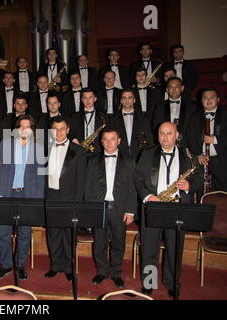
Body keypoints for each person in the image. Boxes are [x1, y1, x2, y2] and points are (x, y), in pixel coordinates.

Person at [134, 122, 202, 297]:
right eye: (162, 133)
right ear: (157, 135)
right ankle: (149, 282)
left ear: (176, 134)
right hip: (153, 206)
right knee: (149, 248)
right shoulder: (147, 154)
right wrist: (148, 197)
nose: (165, 137)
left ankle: (172, 283)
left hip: (177, 208)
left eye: (169, 133)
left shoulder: (187, 156)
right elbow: (138, 179)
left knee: (175, 248)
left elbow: (199, 178)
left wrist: (188, 185)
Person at [0, 114, 45, 281]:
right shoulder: (5, 145)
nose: (24, 129)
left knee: (24, 232)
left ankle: (20, 265)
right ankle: (6, 265)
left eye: (27, 127)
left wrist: (37, 198)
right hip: (7, 193)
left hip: (27, 194)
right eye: (21, 126)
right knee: (4, 231)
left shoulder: (37, 148)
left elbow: (40, 176)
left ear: (32, 130)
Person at [85, 127, 137, 288]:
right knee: (99, 243)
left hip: (119, 209)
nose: (109, 142)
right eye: (105, 139)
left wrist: (130, 210)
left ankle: (115, 272)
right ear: (101, 142)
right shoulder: (92, 160)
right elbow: (88, 187)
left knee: (118, 243)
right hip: (99, 208)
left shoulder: (129, 161)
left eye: (112, 139)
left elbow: (132, 188)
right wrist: (90, 211)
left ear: (119, 141)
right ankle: (101, 271)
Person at [44, 116, 86, 281]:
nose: (59, 132)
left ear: (68, 130)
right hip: (51, 196)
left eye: (62, 129)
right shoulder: (44, 149)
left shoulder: (79, 151)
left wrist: (77, 203)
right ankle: (55, 265)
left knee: (68, 234)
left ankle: (69, 266)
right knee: (53, 234)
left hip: (70, 198)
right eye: (55, 129)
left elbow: (81, 180)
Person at [186, 88, 227, 192]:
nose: (208, 100)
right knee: (202, 191)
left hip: (222, 161)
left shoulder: (225, 114)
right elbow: (190, 137)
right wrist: (198, 154)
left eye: (212, 97)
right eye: (205, 97)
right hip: (202, 161)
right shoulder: (195, 117)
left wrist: (216, 139)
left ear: (218, 99)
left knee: (222, 192)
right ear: (201, 100)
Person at [108, 89, 153, 161]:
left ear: (134, 100)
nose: (127, 100)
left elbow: (149, 140)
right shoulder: (112, 120)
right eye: (124, 98)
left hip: (139, 157)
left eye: (130, 98)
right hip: (119, 158)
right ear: (121, 100)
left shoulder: (143, 119)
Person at [69, 88, 105, 154]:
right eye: (85, 98)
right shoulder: (75, 116)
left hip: (98, 151)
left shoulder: (103, 116)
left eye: (90, 97)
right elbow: (70, 132)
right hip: (79, 149)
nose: (88, 100)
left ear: (95, 99)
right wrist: (76, 142)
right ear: (82, 100)